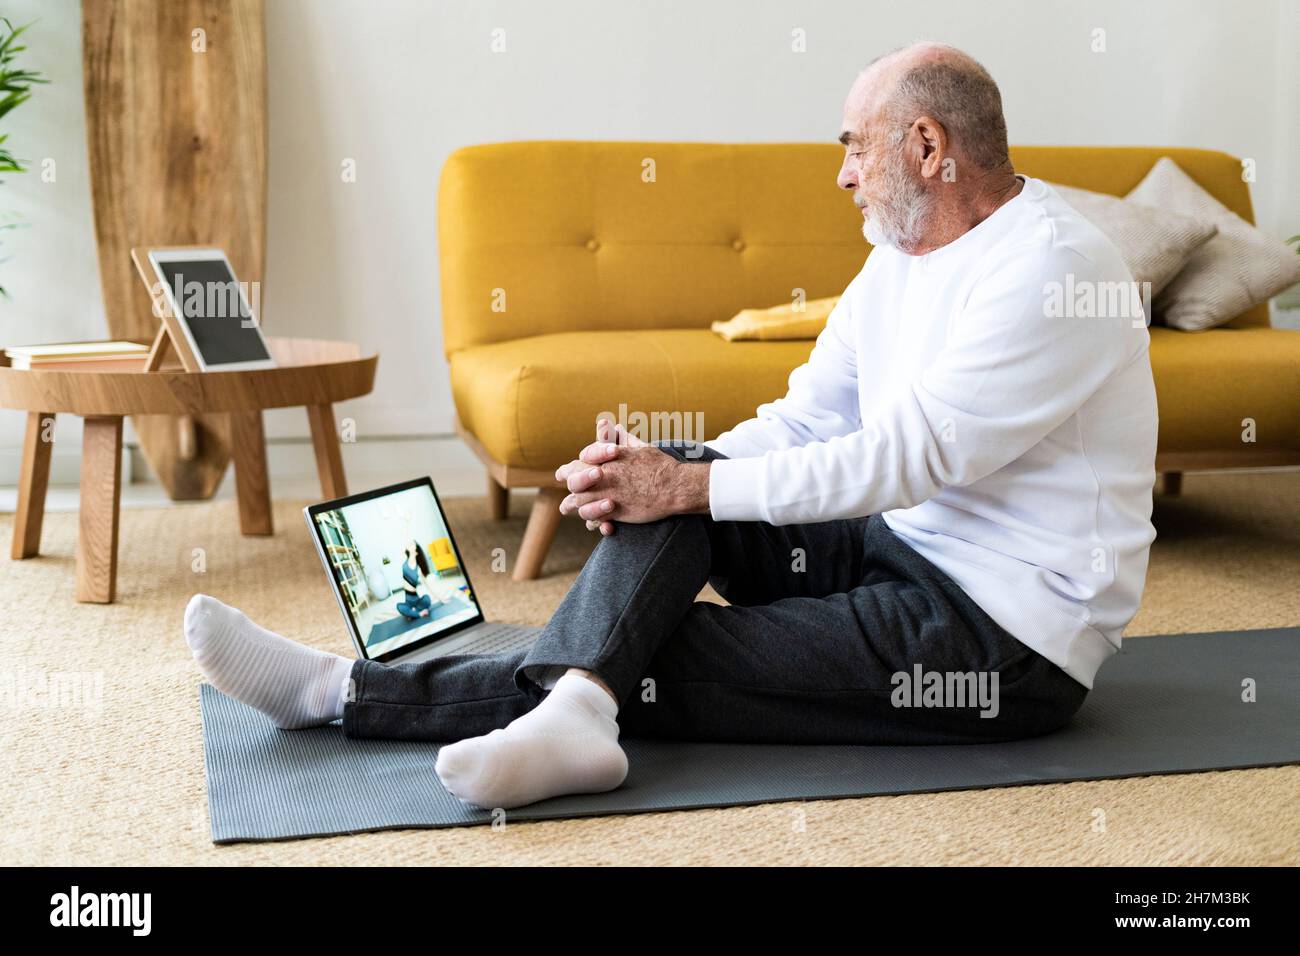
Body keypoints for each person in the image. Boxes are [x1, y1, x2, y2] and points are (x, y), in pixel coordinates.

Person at [184, 41, 1157, 812]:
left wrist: (687, 488)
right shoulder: (898, 258)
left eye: (855, 146)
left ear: (929, 148)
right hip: (889, 544)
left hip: (996, 636)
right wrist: (665, 472)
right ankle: (576, 708)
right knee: (684, 479)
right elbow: (810, 414)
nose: (844, 175)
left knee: (659, 640)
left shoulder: (1052, 269)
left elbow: (911, 458)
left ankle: (339, 691)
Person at [394, 540, 433, 620]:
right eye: (410, 544)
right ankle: (419, 613)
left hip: (417, 600)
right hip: (408, 602)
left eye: (412, 544)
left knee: (427, 598)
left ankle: (413, 613)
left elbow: (428, 586)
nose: (410, 544)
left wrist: (441, 598)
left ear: (416, 552)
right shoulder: (405, 562)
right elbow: (404, 540)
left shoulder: (418, 569)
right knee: (399, 607)